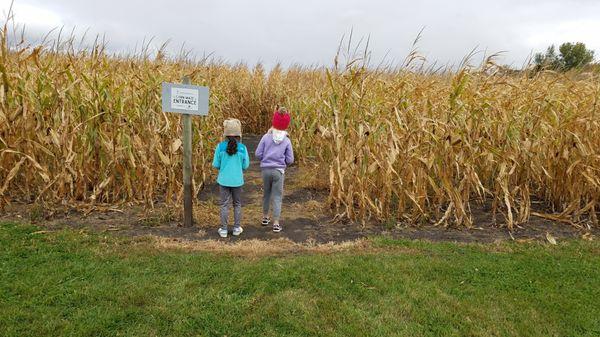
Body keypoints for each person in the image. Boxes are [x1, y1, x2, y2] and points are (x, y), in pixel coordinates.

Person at [255, 107, 294, 232]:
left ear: (274, 122)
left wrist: (264, 158)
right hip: (279, 171)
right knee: (277, 196)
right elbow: (290, 160)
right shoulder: (287, 140)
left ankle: (265, 217)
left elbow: (257, 153)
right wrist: (283, 162)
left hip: (266, 170)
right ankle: (276, 223)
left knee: (266, 194)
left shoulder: (266, 137)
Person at [212, 118, 250, 238]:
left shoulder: (220, 147)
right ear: (239, 134)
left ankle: (223, 230)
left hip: (223, 180)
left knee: (224, 204)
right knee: (237, 204)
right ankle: (236, 228)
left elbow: (216, 164)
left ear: (226, 134)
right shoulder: (243, 148)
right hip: (237, 181)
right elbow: (246, 165)